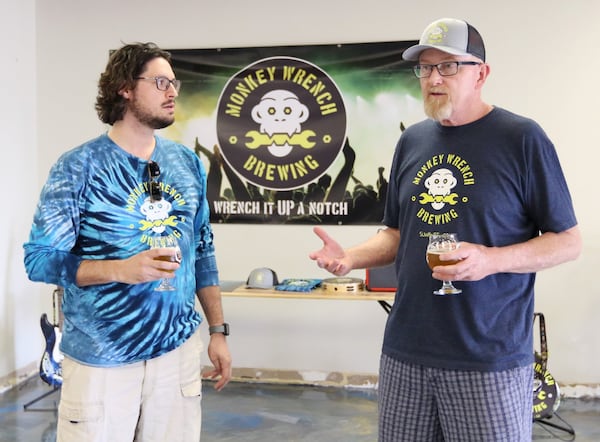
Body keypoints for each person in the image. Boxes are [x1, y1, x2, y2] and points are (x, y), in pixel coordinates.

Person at [309, 18, 581, 442]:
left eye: (449, 66)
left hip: (487, 359)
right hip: (406, 352)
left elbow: (567, 242)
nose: (434, 78)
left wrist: (490, 260)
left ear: (481, 73)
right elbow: (397, 234)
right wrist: (349, 258)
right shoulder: (412, 142)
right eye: (425, 68)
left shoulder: (521, 139)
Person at [24, 42, 232, 441]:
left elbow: (203, 250)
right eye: (160, 82)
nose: (172, 92)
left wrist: (218, 330)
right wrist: (120, 269)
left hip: (177, 353)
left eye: (175, 83)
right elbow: (40, 260)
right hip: (102, 359)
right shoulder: (79, 166)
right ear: (124, 87)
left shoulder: (186, 163)